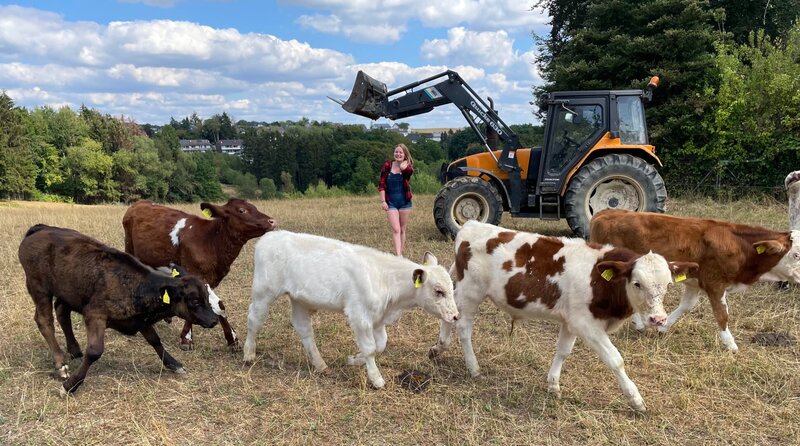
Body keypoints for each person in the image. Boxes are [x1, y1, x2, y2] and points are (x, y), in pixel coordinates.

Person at [378, 143, 414, 256]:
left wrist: (404, 167)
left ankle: (401, 253)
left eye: (400, 152)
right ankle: (398, 255)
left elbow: (409, 173)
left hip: (405, 203)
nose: (398, 154)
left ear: (405, 154)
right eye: (396, 152)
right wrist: (383, 201)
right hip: (391, 203)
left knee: (403, 229)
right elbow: (382, 185)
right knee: (396, 229)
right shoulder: (387, 165)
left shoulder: (407, 167)